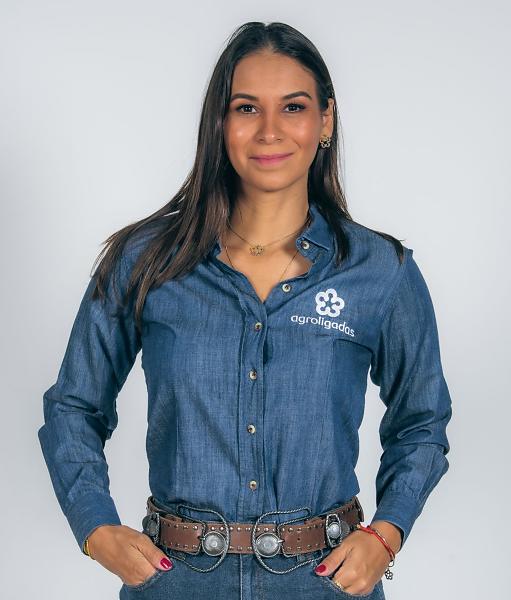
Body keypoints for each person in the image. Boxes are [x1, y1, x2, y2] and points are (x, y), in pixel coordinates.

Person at [37, 21, 452, 600]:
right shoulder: (146, 261)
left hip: (324, 582)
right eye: (247, 107)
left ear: (325, 120)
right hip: (176, 580)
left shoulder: (381, 270)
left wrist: (386, 533)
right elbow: (73, 406)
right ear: (220, 122)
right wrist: (95, 526)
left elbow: (422, 422)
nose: (270, 130)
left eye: (294, 107)